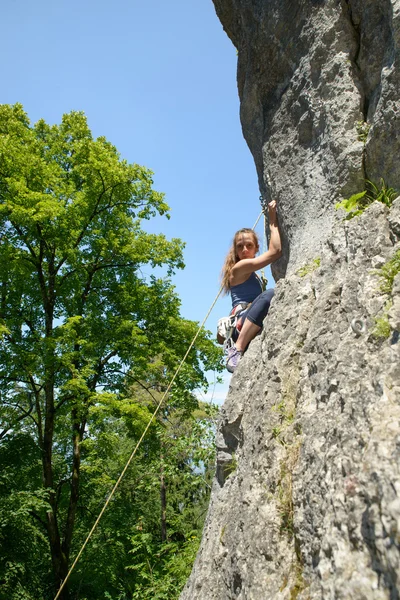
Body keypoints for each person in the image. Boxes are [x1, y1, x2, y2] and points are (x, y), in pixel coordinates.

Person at [221, 200, 282, 372]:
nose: (245, 249)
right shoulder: (239, 268)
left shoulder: (252, 274)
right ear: (236, 252)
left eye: (249, 245)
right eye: (240, 247)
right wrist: (272, 220)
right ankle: (237, 349)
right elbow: (276, 252)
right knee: (270, 294)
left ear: (256, 248)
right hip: (241, 321)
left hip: (247, 319)